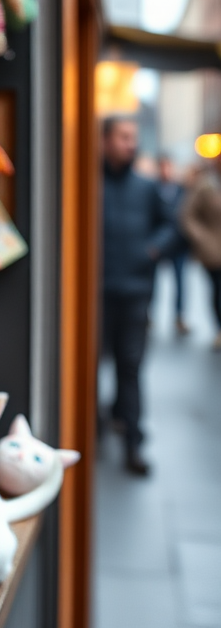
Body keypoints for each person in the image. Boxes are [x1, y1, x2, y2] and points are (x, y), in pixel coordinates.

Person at [101, 118, 175, 476]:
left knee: (129, 366)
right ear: (105, 141)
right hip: (96, 295)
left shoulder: (146, 188)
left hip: (134, 293)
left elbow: (171, 225)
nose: (131, 144)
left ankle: (133, 441)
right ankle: (93, 431)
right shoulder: (90, 183)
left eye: (133, 138)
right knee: (90, 364)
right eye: (123, 137)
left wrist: (152, 250)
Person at [180, 158, 221, 350]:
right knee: (219, 290)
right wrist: (201, 238)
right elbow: (187, 214)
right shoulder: (206, 185)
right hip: (214, 250)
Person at [157, 155, 190, 336]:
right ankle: (149, 316)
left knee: (180, 282)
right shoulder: (152, 188)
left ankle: (179, 315)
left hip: (178, 244)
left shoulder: (182, 189)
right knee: (153, 282)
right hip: (160, 244)